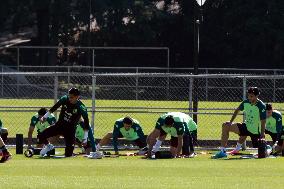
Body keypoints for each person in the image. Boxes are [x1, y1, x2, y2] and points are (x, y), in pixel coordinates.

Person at [39, 87, 102, 158]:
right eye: (69, 96)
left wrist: (85, 138)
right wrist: (44, 117)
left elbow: (86, 123)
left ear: (77, 97)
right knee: (41, 136)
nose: (69, 98)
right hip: (59, 126)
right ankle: (48, 146)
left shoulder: (81, 107)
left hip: (70, 131)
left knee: (68, 155)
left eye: (72, 97)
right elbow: (54, 107)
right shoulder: (64, 99)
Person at [212, 87, 266, 159]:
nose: (249, 98)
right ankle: (222, 152)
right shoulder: (245, 102)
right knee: (225, 125)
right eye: (248, 95)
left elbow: (263, 121)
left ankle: (268, 148)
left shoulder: (261, 106)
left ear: (257, 96)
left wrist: (262, 135)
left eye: (251, 96)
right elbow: (237, 110)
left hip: (256, 132)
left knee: (263, 153)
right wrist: (230, 122)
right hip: (246, 126)